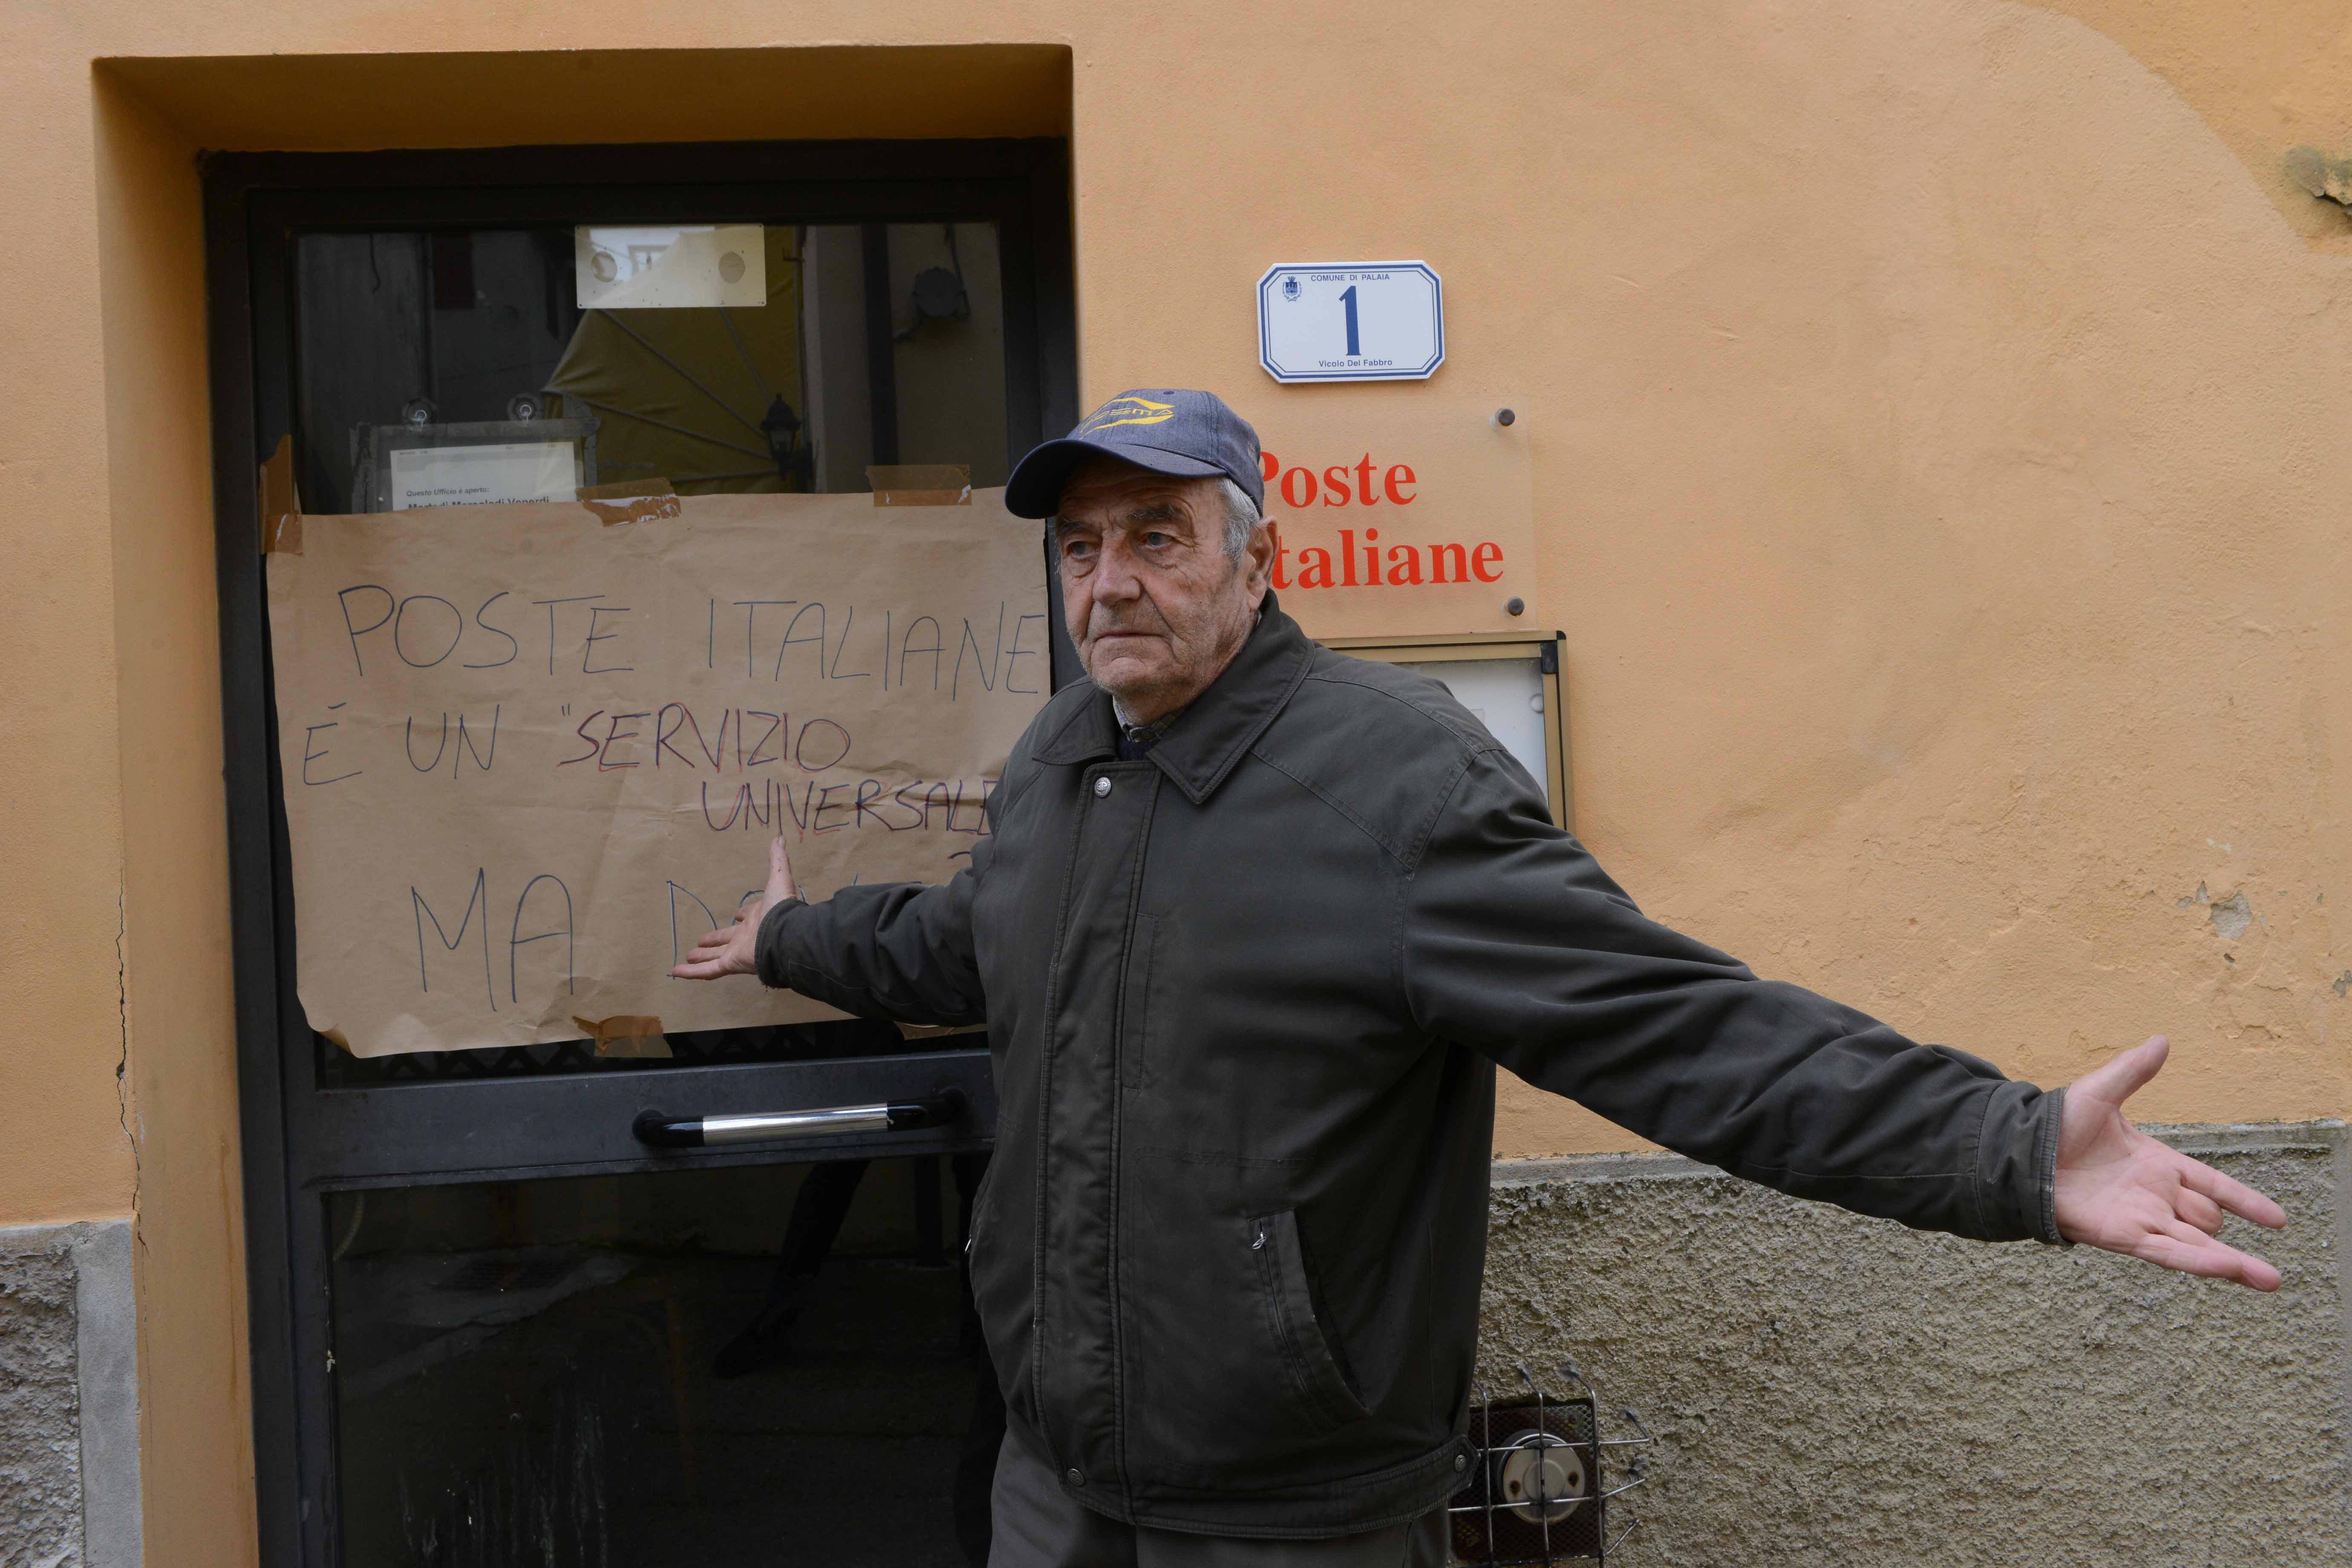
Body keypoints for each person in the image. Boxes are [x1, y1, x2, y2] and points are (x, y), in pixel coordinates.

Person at [674, 389, 2286, 1567]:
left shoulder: (1392, 787)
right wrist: (794, 940)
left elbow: (1671, 1029)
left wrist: (1999, 1148)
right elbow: (980, 937)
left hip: (1291, 1511)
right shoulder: (1063, 753)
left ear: (1257, 558)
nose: (1110, 585)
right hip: (1056, 1481)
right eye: (1083, 549)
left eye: (1158, 538)